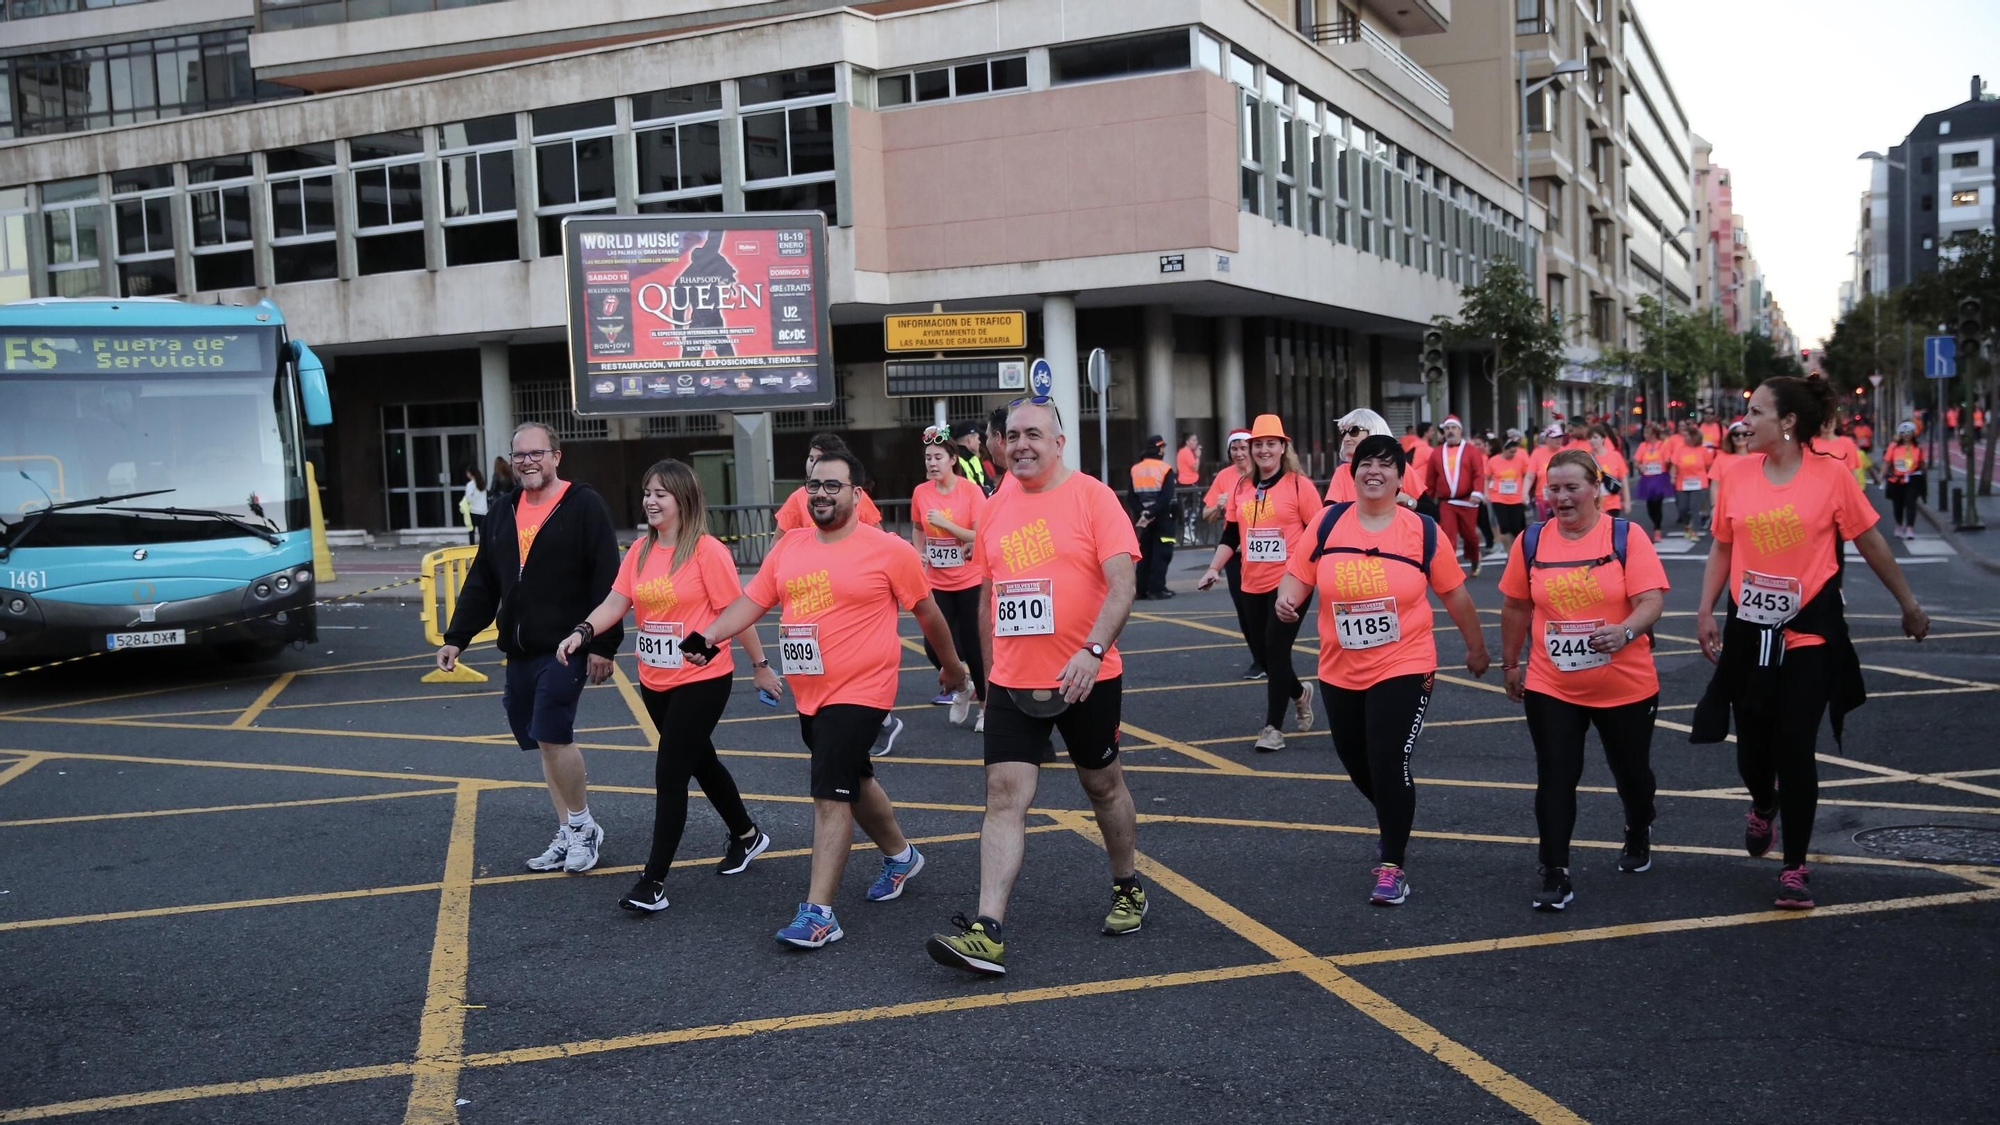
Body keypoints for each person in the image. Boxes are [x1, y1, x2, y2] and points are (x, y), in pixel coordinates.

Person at [682, 449, 972, 948]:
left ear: (857, 494)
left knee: (829, 794)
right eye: (814, 485)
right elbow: (752, 601)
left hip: (863, 689)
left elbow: (927, 612)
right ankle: (902, 856)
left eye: (832, 485)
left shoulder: (888, 550)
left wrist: (951, 666)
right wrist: (708, 636)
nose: (820, 493)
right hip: (811, 692)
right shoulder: (790, 547)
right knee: (854, 778)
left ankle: (819, 914)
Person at [926, 396, 1145, 976]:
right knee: (1003, 795)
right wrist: (987, 676)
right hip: (1013, 680)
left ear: (1058, 442)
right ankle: (987, 929)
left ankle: (1127, 885)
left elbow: (1122, 584)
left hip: (1086, 676)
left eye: (1034, 435)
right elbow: (989, 597)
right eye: (1013, 435)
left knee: (1103, 786)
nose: (1021, 444)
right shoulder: (997, 505)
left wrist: (1092, 651)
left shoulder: (1093, 497)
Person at [1693, 377, 1931, 909]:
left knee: (1795, 745)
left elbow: (1870, 541)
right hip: (1750, 629)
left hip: (1811, 629)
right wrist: (1705, 610)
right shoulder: (1737, 474)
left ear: (1788, 422)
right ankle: (1764, 803)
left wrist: (1909, 605)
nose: (1744, 422)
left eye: (1755, 412)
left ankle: (1795, 868)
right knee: (1753, 751)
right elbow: (1722, 546)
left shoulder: (1832, 475)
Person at [554, 460, 780, 912]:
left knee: (671, 771)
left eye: (660, 493)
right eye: (647, 492)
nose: (650, 501)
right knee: (701, 761)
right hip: (654, 679)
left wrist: (760, 665)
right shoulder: (640, 550)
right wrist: (582, 631)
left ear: (683, 499)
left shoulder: (707, 552)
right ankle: (747, 834)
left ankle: (652, 882)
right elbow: (616, 601)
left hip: (703, 679)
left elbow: (737, 612)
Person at [1275, 436, 1489, 906]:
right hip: (1340, 666)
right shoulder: (1329, 523)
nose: (1374, 472)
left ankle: (1392, 864)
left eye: (1386, 465)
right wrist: (1285, 600)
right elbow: (1298, 574)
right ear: (1352, 473)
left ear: (1400, 477)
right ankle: (1395, 816)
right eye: (1365, 463)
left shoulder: (1422, 530)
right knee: (1357, 761)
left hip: (1405, 662)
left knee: (1389, 759)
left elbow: (1455, 594)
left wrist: (1477, 648)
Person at [439, 422, 622, 874]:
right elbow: (483, 581)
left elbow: (609, 579)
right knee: (542, 740)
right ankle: (568, 829)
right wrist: (456, 638)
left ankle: (582, 828)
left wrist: (603, 644)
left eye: (537, 453)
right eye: (520, 455)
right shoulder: (502, 510)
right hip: (519, 648)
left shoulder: (583, 505)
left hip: (568, 644)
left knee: (554, 734)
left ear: (556, 456)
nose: (527, 462)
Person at [1498, 450, 1668, 911]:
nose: (1562, 497)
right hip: (1553, 683)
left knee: (1632, 775)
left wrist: (1625, 631)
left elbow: (1651, 600)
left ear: (1596, 489)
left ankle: (1638, 825)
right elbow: (1515, 605)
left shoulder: (1625, 536)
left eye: (1572, 487)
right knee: (1556, 775)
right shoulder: (1532, 541)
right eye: (1554, 488)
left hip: (1625, 683)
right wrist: (1510, 664)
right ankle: (1555, 870)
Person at [1196, 414, 1322, 752]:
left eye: (1271, 444)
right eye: (1258, 444)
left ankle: (1272, 729)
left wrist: (1312, 575)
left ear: (1283, 447)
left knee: (1277, 651)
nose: (1264, 450)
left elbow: (1318, 535)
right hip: (1251, 580)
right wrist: (1213, 568)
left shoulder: (1299, 486)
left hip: (1291, 581)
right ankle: (1300, 693)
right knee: (1264, 655)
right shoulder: (1241, 487)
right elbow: (1231, 534)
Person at [912, 424, 988, 728]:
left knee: (974, 645)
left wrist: (947, 525)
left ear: (952, 459)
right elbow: (918, 528)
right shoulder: (921, 492)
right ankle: (961, 686)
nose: (932, 463)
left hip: (970, 579)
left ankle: (984, 708)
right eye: (928, 458)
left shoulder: (970, 491)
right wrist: (918, 552)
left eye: (938, 457)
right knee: (934, 644)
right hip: (937, 580)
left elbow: (979, 535)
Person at [1203, 429, 1264, 679]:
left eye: (1243, 448)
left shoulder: (1264, 473)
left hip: (1265, 554)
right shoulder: (1224, 477)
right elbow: (1207, 515)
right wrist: (1217, 506)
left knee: (1271, 608)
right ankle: (1259, 660)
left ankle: (1275, 657)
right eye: (1234, 449)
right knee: (1245, 609)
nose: (1239, 453)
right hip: (1235, 553)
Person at [774, 433, 884, 531]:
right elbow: (778, 541)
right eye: (811, 459)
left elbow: (879, 538)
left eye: (820, 458)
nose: (814, 464)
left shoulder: (858, 496)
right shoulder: (797, 497)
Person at [1423, 415, 1487, 576]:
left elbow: (1479, 474)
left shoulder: (1471, 451)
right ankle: (1450, 569)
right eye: (1447, 428)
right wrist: (1426, 500)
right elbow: (1430, 479)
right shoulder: (1436, 453)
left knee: (1469, 535)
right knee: (1447, 536)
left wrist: (1477, 492)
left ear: (1460, 430)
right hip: (1446, 503)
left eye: (1453, 428)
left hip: (1467, 501)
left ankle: (1475, 557)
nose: (1450, 431)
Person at [1326, 408, 1420, 507]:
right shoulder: (1342, 471)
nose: (1346, 438)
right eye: (1343, 433)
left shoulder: (1398, 466)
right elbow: (1330, 511)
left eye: (1353, 431)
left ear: (1374, 431)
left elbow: (1428, 509)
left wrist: (1407, 500)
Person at [1129, 435, 1176, 600]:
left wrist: (1144, 512)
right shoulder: (1165, 469)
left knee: (1146, 552)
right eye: (1163, 448)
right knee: (1162, 552)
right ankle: (1157, 588)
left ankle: (1141, 589)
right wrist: (1153, 511)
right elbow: (1166, 496)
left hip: (1144, 519)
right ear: (1160, 449)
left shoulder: (1136, 469)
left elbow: (1131, 497)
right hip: (1163, 517)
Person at [1484, 432, 1533, 557]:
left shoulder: (1520, 460)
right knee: (1504, 526)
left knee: (1517, 527)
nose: (1513, 454)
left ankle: (1519, 550)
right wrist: (1486, 493)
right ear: (1504, 449)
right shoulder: (1493, 461)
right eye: (1511, 452)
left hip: (1516, 498)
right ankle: (1509, 553)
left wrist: (1525, 493)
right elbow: (1487, 478)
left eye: (1515, 452)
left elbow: (1527, 476)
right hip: (1498, 498)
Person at [1667, 420, 1715, 539]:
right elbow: (1674, 465)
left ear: (1694, 437)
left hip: (1699, 483)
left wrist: (1711, 479)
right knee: (1682, 508)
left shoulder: (1702, 450)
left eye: (1687, 436)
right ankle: (1687, 524)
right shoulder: (1680, 449)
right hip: (1682, 483)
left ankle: (1695, 531)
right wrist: (1672, 477)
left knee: (1695, 507)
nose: (1684, 438)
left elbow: (1709, 466)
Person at [1882, 422, 1926, 539]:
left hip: (1913, 478)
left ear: (1913, 434)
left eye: (1908, 433)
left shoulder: (1917, 447)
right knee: (1898, 504)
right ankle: (1899, 524)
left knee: (1911, 502)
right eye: (1903, 433)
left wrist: (1924, 475)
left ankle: (1910, 527)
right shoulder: (1893, 447)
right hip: (1896, 479)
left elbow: (1922, 463)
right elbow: (1887, 462)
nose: (1906, 435)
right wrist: (1881, 476)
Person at [1631, 423, 1673, 543]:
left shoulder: (1663, 445)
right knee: (1650, 505)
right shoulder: (1643, 446)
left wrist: (1668, 462)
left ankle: (1657, 528)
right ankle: (1655, 523)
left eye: (1647, 433)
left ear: (1653, 434)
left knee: (1657, 503)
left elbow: (1668, 460)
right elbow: (1636, 462)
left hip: (1660, 477)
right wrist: (1640, 466)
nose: (1644, 435)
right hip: (1647, 478)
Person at [1708, 421, 1753, 511]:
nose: (1740, 437)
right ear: (1730, 437)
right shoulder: (1721, 459)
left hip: (1754, 506)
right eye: (1736, 434)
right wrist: (1714, 506)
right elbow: (1714, 486)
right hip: (1728, 507)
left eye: (1745, 434)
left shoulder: (1760, 456)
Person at [1589, 425, 1630, 517]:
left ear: (1603, 439)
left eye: (1595, 437)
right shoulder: (1587, 458)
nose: (1592, 440)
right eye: (1590, 438)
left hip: (1613, 503)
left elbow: (1624, 479)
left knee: (1610, 524)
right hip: (1595, 504)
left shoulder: (1615, 456)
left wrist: (1626, 501)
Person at [1818, 414, 1863, 488]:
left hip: (1840, 489)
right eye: (1824, 421)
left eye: (1830, 421)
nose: (1828, 424)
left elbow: (1852, 473)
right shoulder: (1809, 445)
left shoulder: (1847, 443)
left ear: (1836, 422)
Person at [952, 423, 990, 493]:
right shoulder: (954, 461)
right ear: (970, 440)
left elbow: (988, 484)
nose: (979, 442)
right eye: (978, 438)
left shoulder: (974, 459)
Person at [461, 464, 487, 545]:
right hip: (483, 511)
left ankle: (472, 547)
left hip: (474, 511)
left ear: (470, 473)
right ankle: (482, 547)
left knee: (471, 531)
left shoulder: (470, 485)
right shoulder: (482, 483)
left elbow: (468, 498)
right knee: (482, 533)